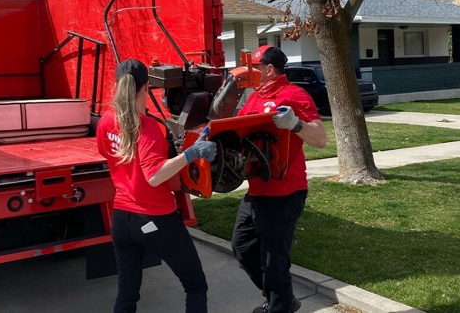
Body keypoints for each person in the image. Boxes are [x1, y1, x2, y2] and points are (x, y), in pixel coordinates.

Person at [96, 59, 217, 313]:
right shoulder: (147, 127)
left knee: (127, 294)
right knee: (195, 285)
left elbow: (108, 153)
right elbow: (153, 176)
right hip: (155, 219)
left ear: (119, 86)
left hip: (122, 219)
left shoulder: (107, 120)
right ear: (147, 87)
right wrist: (192, 153)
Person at [232, 46, 327, 313]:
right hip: (258, 191)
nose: (250, 72)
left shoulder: (294, 95)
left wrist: (295, 124)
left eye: (255, 67)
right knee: (241, 247)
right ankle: (282, 297)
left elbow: (320, 139)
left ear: (269, 70)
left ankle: (279, 305)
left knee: (274, 261)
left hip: (285, 193)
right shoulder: (254, 98)